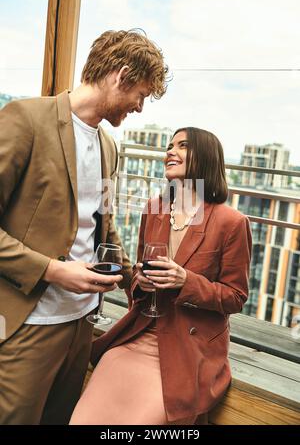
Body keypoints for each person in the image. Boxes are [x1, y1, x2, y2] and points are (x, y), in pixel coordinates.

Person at [0, 29, 168, 425]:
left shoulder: (109, 146)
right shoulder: (24, 119)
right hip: (28, 324)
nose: (140, 108)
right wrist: (55, 271)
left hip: (83, 325)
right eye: (140, 94)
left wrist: (135, 280)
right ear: (120, 75)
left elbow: (104, 228)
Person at [70, 127, 252, 425]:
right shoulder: (154, 209)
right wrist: (141, 282)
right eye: (169, 146)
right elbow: (142, 278)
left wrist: (186, 282)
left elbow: (235, 297)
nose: (170, 151)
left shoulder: (231, 222)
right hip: (139, 334)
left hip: (187, 348)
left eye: (182, 145)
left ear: (205, 157)